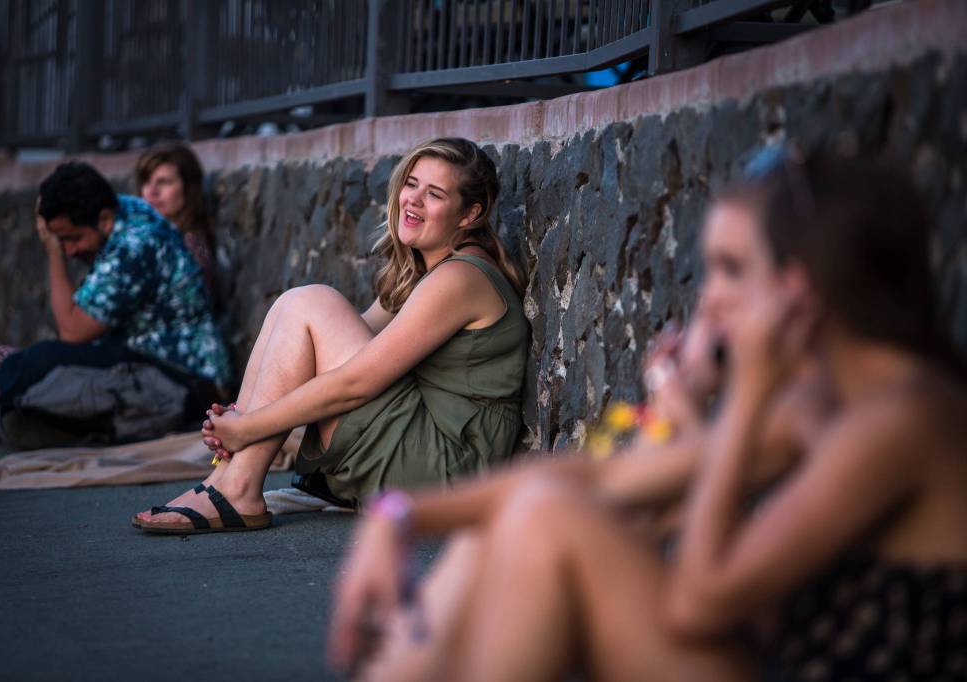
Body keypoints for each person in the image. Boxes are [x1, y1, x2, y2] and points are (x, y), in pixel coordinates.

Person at [330, 154, 967, 681]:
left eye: (733, 270)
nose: (709, 296)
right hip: (767, 656)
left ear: (798, 288)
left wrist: (743, 395)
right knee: (519, 514)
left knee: (546, 516)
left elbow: (699, 601)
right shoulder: (817, 401)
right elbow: (606, 477)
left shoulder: (903, 417)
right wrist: (398, 518)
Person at [132, 137, 530, 534]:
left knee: (312, 302)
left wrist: (248, 427)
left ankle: (238, 486)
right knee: (294, 305)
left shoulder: (460, 277)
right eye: (411, 184)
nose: (414, 200)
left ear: (469, 214)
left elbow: (356, 382)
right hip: (427, 447)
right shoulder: (426, 273)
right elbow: (324, 345)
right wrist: (245, 412)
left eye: (435, 193)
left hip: (449, 469)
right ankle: (225, 480)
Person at [0, 161, 232, 445]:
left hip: (180, 377)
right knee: (15, 365)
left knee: (29, 365)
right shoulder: (123, 214)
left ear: (105, 219)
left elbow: (72, 331)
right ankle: (6, 416)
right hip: (142, 360)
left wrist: (53, 252)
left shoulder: (134, 245)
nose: (69, 250)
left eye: (71, 239)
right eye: (61, 242)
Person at [134, 144, 217, 291]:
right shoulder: (143, 238)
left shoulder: (188, 245)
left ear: (188, 188)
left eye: (164, 182)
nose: (152, 191)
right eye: (146, 181)